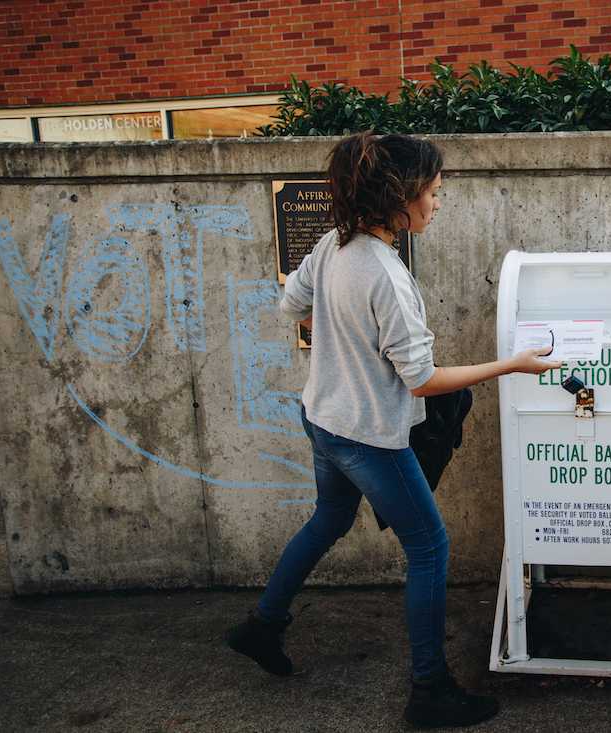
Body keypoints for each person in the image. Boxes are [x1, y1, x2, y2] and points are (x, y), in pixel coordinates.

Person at [225, 131, 560, 729]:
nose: (438, 200)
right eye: (432, 190)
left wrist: (342, 336)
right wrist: (510, 364)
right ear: (400, 197)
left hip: (323, 418)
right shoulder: (386, 274)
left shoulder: (335, 243)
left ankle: (262, 627)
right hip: (367, 438)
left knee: (328, 519)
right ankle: (430, 690)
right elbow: (424, 380)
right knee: (429, 548)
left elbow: (291, 305)